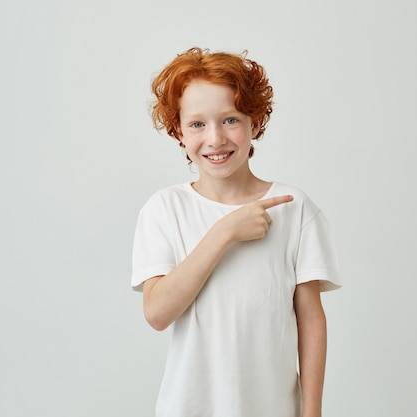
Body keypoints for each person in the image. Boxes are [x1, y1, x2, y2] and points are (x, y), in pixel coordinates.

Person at [131, 47, 341, 417]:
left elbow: (310, 318)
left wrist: (312, 412)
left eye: (230, 120)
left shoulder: (295, 208)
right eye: (197, 124)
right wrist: (224, 232)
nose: (215, 138)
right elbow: (158, 313)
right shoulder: (164, 210)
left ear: (255, 122)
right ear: (179, 131)